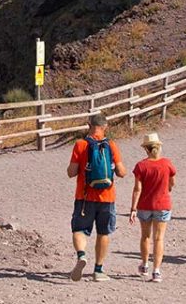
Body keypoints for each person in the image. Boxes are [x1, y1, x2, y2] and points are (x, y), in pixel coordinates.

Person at [68, 114, 128, 282]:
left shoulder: (80, 145)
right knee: (103, 233)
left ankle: (81, 255)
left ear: (89, 125)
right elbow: (122, 172)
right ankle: (98, 270)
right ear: (105, 127)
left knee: (79, 230)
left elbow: (71, 172)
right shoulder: (111, 145)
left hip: (84, 197)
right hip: (107, 198)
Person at [129, 132, 176, 283]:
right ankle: (157, 271)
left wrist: (133, 209)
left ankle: (145, 265)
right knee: (159, 238)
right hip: (162, 204)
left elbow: (137, 189)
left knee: (145, 236)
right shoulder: (167, 163)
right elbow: (172, 183)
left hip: (144, 205)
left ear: (146, 149)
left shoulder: (141, 166)